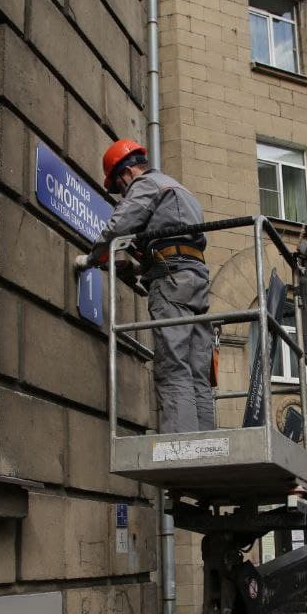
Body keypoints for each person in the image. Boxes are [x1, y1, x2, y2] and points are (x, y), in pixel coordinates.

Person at [97, 139, 214, 434]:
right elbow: (173, 246)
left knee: (172, 366)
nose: (123, 193)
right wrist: (135, 268)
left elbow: (118, 227)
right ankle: (207, 447)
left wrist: (90, 256)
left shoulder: (145, 185)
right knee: (197, 371)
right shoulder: (178, 188)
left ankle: (181, 451)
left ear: (125, 173)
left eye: (120, 187)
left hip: (171, 282)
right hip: (195, 279)